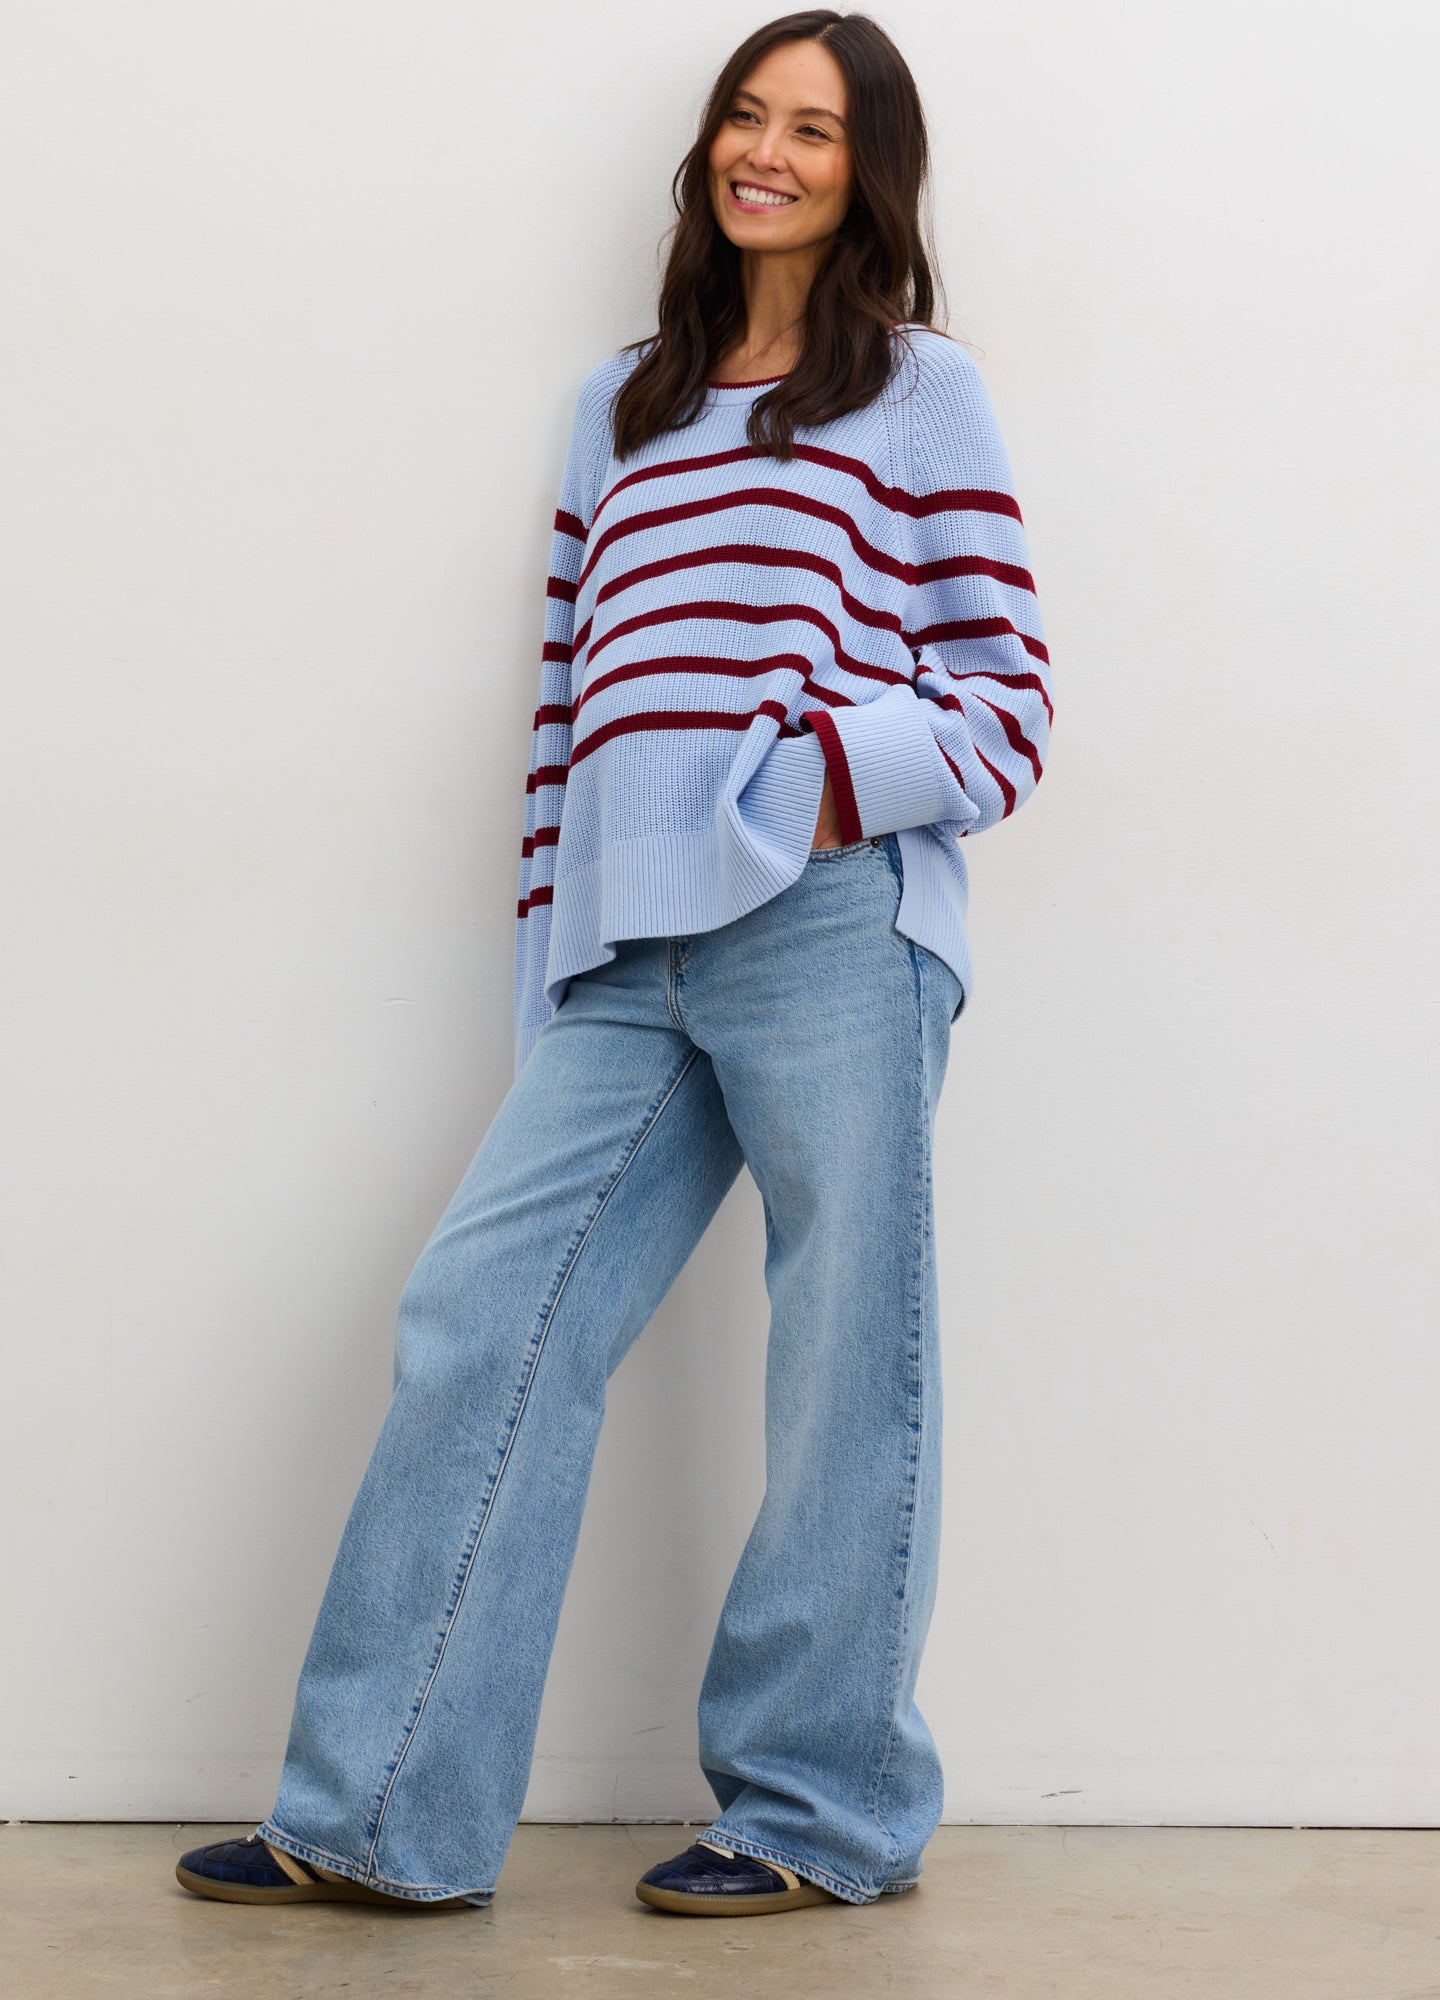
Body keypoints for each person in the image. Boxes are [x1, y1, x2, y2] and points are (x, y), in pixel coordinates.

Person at [176, 6, 1053, 1920]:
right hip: (623, 951)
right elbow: (569, 710)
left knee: (847, 1374)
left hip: (833, 926)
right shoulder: (624, 405)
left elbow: (1008, 702)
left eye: (814, 129)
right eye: (746, 116)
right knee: (485, 1320)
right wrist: (553, 966)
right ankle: (380, 1809)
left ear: (868, 169)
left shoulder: (919, 391)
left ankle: (818, 1820)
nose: (769, 152)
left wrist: (824, 781)